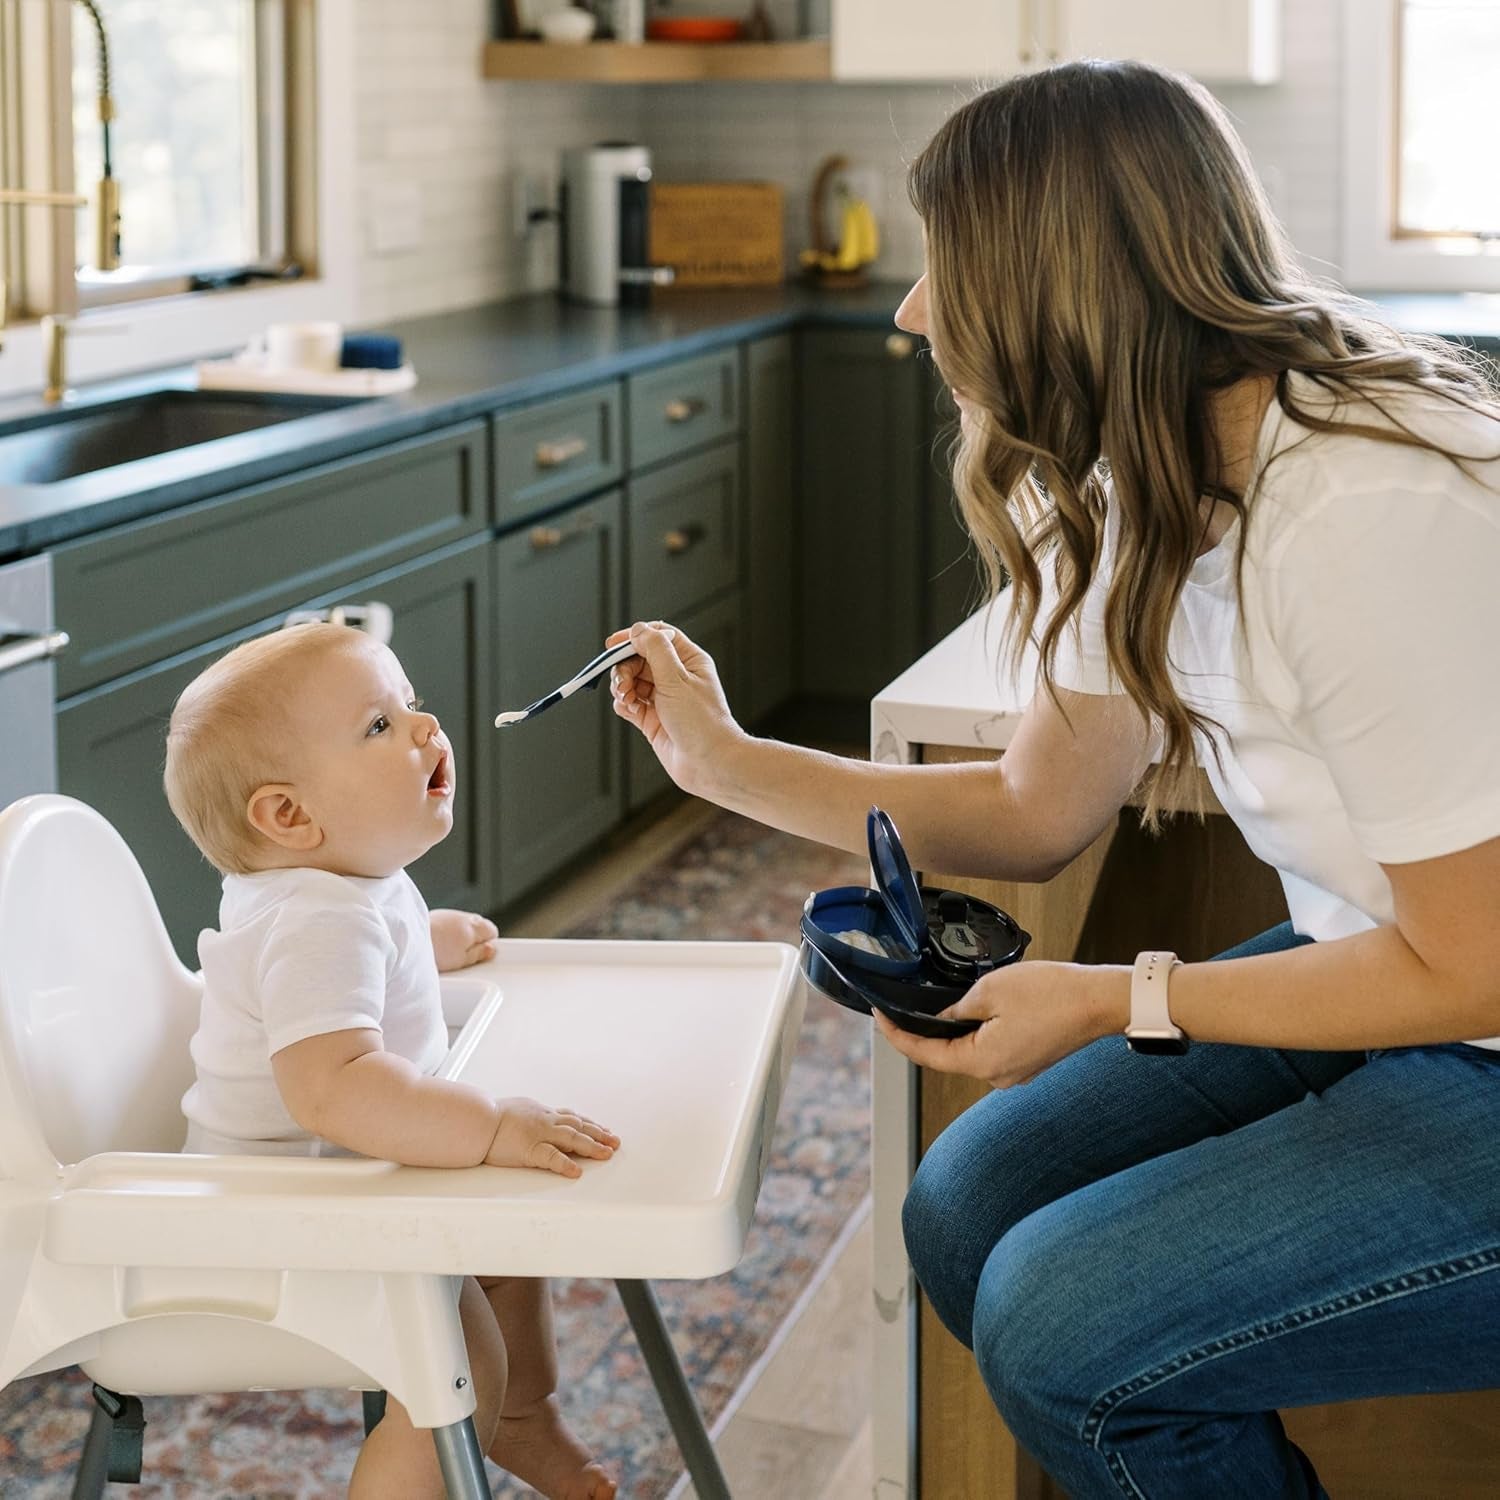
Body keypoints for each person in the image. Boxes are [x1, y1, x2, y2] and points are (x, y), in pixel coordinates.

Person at [606, 59, 1500, 1500]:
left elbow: (1480, 969)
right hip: (1389, 973)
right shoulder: (1129, 475)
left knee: (1061, 1323)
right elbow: (1036, 811)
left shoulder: (1363, 511)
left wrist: (1111, 998)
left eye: (941, 265)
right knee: (967, 1214)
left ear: (1055, 288)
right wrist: (726, 762)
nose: (908, 312)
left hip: (1472, 1016)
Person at [164, 622, 619, 1500]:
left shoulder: (334, 890)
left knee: (502, 1246)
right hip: (276, 1223)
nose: (425, 726)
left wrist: (414, 945)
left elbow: (335, 972)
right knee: (460, 1358)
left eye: (408, 703)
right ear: (289, 816)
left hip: (336, 1193)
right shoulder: (316, 923)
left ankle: (522, 1424)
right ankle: (479, 1425)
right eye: (379, 725)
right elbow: (332, 1088)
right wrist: (487, 1126)